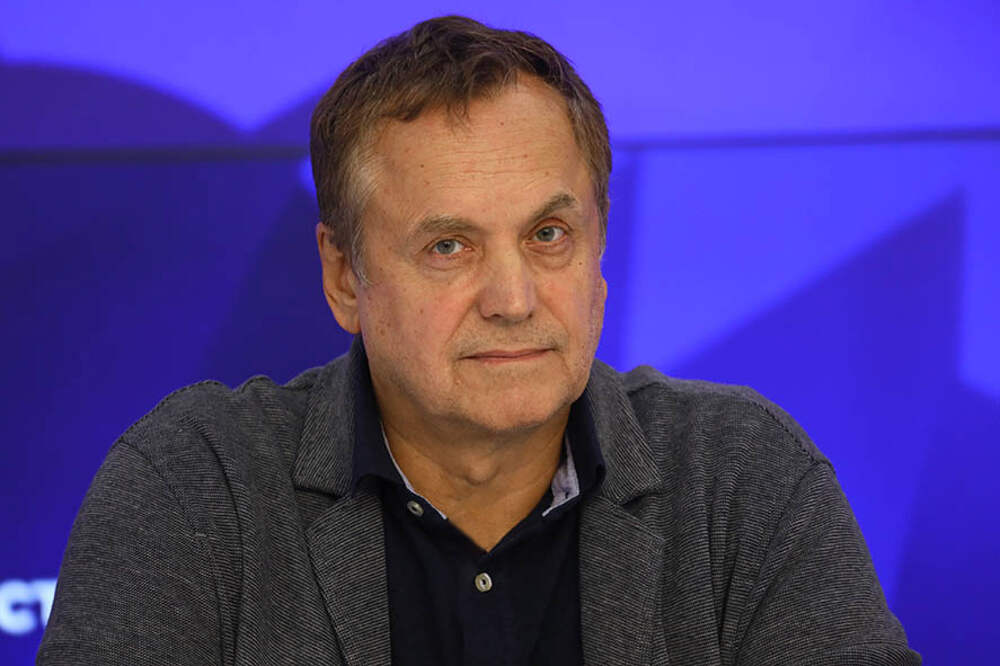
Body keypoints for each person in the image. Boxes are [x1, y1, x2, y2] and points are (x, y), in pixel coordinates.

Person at [38, 15, 919, 665]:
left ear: (599, 250)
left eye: (548, 235)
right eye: (449, 247)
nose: (513, 299)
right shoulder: (196, 489)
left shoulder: (742, 476)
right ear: (344, 277)